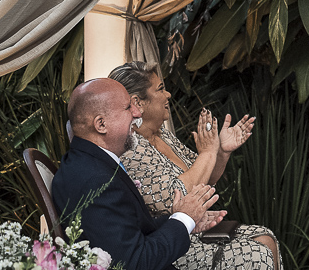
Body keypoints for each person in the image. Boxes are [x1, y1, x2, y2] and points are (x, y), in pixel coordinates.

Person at [109, 62, 279, 270]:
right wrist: (208, 152)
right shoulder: (130, 149)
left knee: (266, 238)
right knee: (258, 252)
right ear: (138, 102)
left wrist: (221, 151)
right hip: (171, 245)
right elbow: (174, 198)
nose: (168, 95)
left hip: (197, 230)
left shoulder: (164, 136)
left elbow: (203, 180)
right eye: (161, 89)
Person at [52, 79, 224, 270]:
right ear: (101, 124)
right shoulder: (97, 181)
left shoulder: (86, 161)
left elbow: (124, 232)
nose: (137, 113)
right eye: (128, 108)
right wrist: (184, 218)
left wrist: (181, 220)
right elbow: (136, 262)